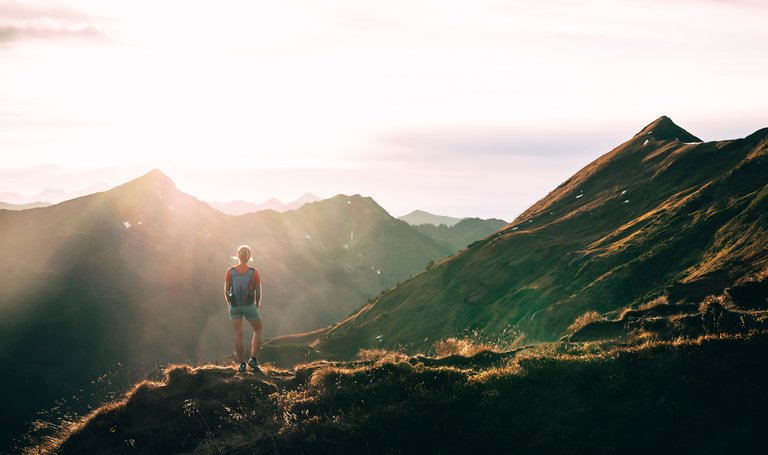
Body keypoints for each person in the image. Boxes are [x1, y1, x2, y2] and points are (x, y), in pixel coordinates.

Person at [224, 245, 263, 373]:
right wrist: (256, 306)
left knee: (238, 335)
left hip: (235, 306)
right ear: (250, 256)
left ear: (237, 255)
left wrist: (231, 303)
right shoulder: (254, 272)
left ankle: (241, 364)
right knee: (257, 329)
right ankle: (253, 359)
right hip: (249, 305)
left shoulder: (230, 271)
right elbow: (258, 292)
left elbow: (226, 290)